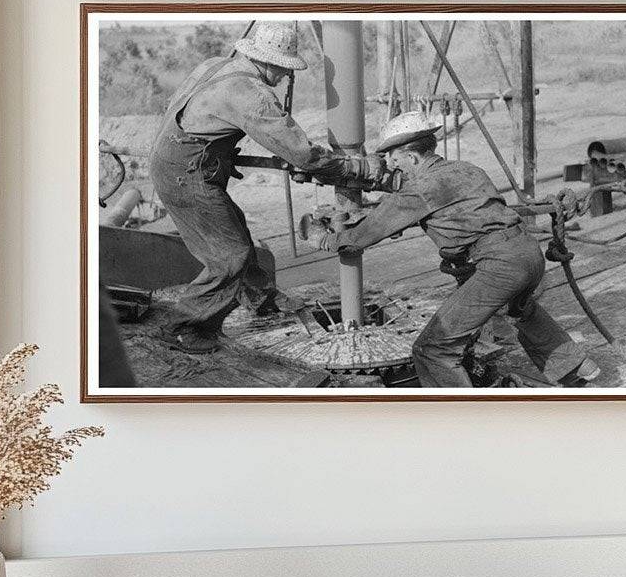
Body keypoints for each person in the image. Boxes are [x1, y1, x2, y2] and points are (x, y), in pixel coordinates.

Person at [306, 111, 601, 388]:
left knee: (433, 349)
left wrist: (324, 238)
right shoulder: (465, 169)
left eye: (394, 159)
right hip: (527, 253)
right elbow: (455, 209)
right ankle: (577, 367)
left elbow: (362, 236)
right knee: (517, 307)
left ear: (411, 156)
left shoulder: (418, 190)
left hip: (499, 266)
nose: (391, 165)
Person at [150, 21, 376, 353]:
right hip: (187, 174)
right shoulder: (250, 94)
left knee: (236, 229)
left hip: (174, 159)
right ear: (268, 62)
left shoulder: (216, 64)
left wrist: (218, 154)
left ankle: (260, 297)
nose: (285, 76)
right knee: (230, 255)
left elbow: (187, 112)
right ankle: (182, 325)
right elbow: (302, 154)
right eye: (283, 69)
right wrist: (351, 167)